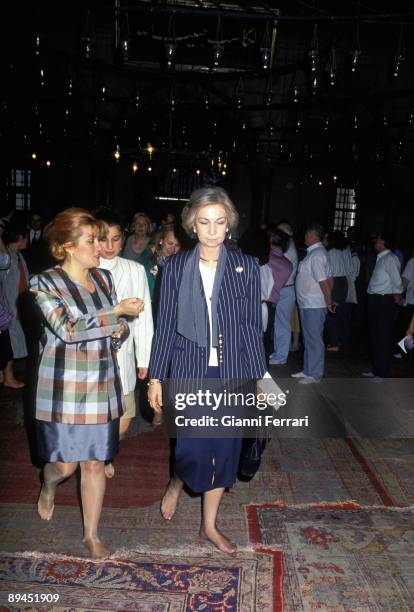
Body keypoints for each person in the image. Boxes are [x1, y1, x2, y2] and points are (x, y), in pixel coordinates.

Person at [147, 186, 266, 555]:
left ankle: (209, 525)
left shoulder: (245, 268)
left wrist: (260, 377)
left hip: (232, 372)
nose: (213, 230)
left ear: (228, 223)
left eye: (219, 221)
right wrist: (156, 377)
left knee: (224, 453)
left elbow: (250, 326)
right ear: (191, 225)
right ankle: (177, 481)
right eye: (204, 222)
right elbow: (164, 325)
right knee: (194, 452)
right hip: (188, 369)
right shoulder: (176, 267)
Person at [29, 208, 143, 559]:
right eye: (91, 240)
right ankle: (48, 485)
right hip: (63, 387)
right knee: (65, 465)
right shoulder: (43, 283)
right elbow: (67, 328)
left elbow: (114, 332)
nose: (100, 246)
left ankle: (90, 535)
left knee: (94, 462)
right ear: (67, 246)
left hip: (101, 383)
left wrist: (121, 329)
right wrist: (116, 315)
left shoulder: (104, 280)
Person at [96, 211, 153, 476]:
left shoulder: (134, 270)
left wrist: (144, 358)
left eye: (116, 239)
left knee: (123, 422)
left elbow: (143, 318)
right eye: (103, 239)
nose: (109, 246)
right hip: (91, 360)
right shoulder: (84, 270)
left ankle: (106, 453)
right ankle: (96, 461)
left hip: (123, 357)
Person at [292, 223, 333, 384]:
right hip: (309, 303)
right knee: (309, 338)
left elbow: (324, 282)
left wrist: (328, 301)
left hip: (313, 304)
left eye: (306, 235)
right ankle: (308, 369)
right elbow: (330, 278)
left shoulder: (316, 255)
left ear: (312, 236)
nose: (304, 238)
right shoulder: (316, 253)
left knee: (314, 339)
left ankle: (315, 374)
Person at [363, 232, 403, 380]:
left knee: (382, 337)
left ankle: (383, 372)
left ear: (384, 243)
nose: (375, 241)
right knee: (374, 336)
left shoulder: (390, 259)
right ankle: (376, 369)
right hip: (376, 300)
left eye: (378, 239)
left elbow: (397, 282)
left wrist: (397, 296)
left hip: (383, 301)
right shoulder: (382, 258)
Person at [0, 223, 29, 386]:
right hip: (8, 306)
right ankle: (8, 376)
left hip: (17, 304)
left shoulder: (18, 255)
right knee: (8, 342)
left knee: (11, 341)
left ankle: (5, 375)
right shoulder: (8, 257)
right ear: (19, 238)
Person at [268, 223, 296, 364]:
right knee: (279, 323)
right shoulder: (289, 246)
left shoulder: (287, 249)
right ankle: (278, 353)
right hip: (285, 288)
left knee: (282, 324)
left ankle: (281, 356)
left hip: (285, 288)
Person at [122, 212, 156, 297]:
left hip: (145, 288)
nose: (140, 226)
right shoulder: (126, 240)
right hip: (125, 286)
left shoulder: (153, 244)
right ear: (133, 226)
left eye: (144, 224)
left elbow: (155, 267)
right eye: (137, 223)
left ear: (148, 227)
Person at [325, 231, 348, 351]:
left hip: (336, 282)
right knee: (339, 314)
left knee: (332, 313)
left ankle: (334, 342)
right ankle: (339, 340)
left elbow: (330, 273)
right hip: (343, 281)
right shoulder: (341, 251)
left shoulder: (331, 253)